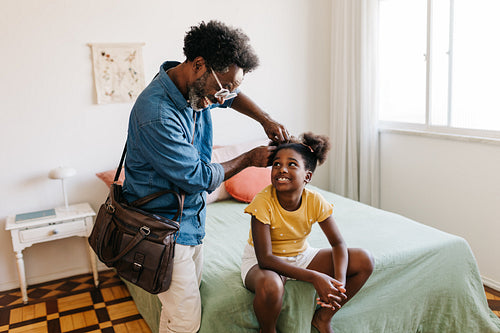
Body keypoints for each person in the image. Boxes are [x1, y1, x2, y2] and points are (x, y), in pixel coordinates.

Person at [122, 20, 290, 333]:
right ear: (199, 65)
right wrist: (248, 160)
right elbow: (196, 177)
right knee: (185, 320)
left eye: (230, 88)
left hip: (190, 221)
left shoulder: (199, 87)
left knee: (175, 313)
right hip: (163, 230)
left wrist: (264, 120)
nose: (223, 96)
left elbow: (233, 94)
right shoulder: (158, 113)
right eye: (222, 87)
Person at [240, 132, 374, 333]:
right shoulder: (262, 202)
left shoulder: (315, 200)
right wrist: (314, 277)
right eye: (276, 164)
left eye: (292, 164)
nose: (282, 169)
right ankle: (267, 330)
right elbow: (265, 259)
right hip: (264, 263)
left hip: (301, 256)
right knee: (271, 286)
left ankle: (322, 318)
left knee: (365, 260)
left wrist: (339, 284)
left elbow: (338, 244)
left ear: (307, 176)